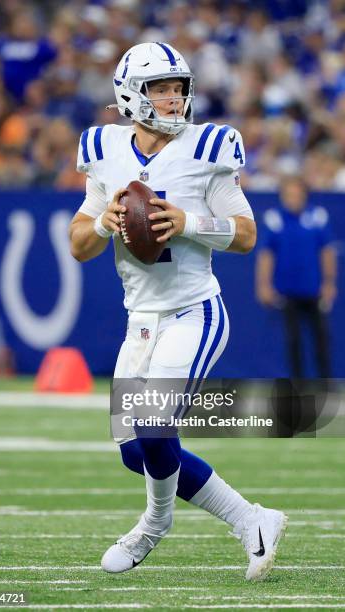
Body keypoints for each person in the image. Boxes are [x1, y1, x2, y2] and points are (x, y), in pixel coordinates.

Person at [69, 42, 287, 580]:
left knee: (154, 424)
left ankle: (153, 525)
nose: (173, 98)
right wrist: (106, 221)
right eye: (161, 88)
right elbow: (78, 243)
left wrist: (188, 221)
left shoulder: (209, 145)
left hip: (194, 311)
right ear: (130, 95)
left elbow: (246, 235)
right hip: (140, 321)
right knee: (134, 451)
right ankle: (251, 519)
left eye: (178, 87)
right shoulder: (102, 148)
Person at [256, 174, 337, 377]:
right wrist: (264, 285)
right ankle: (298, 385)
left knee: (321, 339)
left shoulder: (317, 216)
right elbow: (266, 255)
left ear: (304, 195)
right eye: (288, 194)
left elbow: (327, 251)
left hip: (313, 289)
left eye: (296, 193)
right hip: (286, 290)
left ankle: (325, 383)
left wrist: (329, 283)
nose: (292, 198)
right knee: (293, 341)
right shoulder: (275, 219)